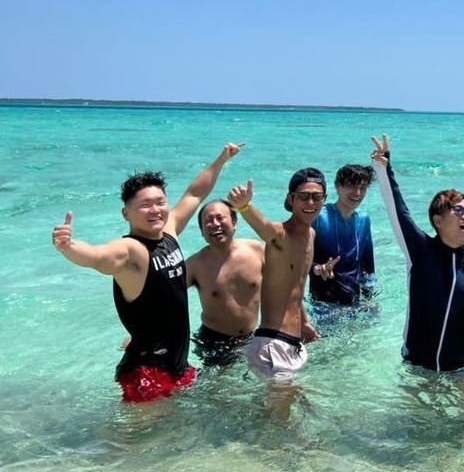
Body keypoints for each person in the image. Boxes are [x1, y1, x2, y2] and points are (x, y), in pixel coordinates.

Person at [50, 143, 242, 403]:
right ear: (126, 213)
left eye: (160, 202)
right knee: (143, 432)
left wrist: (221, 160)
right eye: (145, 205)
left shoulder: (169, 232)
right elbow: (97, 257)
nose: (156, 210)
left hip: (177, 366)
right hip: (147, 373)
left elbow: (195, 194)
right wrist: (69, 246)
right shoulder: (131, 251)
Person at [370, 134, 464, 373]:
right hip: (418, 366)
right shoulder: (420, 250)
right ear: (438, 220)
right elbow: (399, 212)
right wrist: (384, 168)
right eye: (458, 210)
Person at [227, 169, 324, 388]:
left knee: (292, 406)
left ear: (324, 199)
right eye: (304, 196)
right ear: (291, 199)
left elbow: (295, 287)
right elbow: (264, 226)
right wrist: (244, 206)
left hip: (294, 343)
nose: (310, 202)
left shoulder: (311, 236)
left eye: (317, 197)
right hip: (273, 343)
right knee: (283, 407)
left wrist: (305, 322)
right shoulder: (281, 235)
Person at [185, 199, 266, 368]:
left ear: (235, 223)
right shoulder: (194, 265)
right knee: (216, 385)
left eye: (220, 218)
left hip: (252, 336)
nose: (215, 224)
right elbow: (165, 298)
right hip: (214, 342)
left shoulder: (257, 251)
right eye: (208, 221)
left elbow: (286, 284)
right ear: (202, 232)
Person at [309, 163, 377, 309]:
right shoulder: (319, 217)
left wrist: (370, 300)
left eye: (363, 187)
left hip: (354, 304)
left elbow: (368, 266)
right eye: (351, 186)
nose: (357, 193)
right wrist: (317, 268)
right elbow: (298, 259)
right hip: (322, 305)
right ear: (337, 186)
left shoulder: (363, 220)